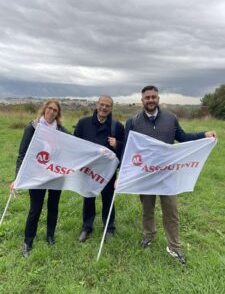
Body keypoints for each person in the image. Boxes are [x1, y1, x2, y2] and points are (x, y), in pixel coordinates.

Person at [124, 85, 217, 264]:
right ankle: (149, 235)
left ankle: (174, 246)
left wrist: (203, 135)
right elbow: (129, 150)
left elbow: (182, 137)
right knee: (147, 209)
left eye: (153, 97)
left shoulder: (170, 118)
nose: (150, 100)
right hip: (146, 175)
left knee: (171, 211)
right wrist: (123, 174)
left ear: (158, 99)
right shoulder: (133, 121)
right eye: (147, 97)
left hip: (167, 174)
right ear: (141, 100)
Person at [11, 100, 68, 257]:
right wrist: (18, 177)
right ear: (44, 109)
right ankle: (28, 242)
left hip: (56, 174)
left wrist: (98, 151)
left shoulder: (61, 131)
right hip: (36, 175)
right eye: (49, 108)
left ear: (58, 114)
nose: (51, 112)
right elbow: (22, 154)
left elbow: (75, 145)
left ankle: (50, 236)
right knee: (35, 209)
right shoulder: (33, 127)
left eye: (55, 110)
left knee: (53, 207)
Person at [74, 95, 124, 242]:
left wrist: (117, 144)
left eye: (107, 105)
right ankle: (86, 227)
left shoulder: (117, 126)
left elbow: (125, 147)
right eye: (102, 104)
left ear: (111, 108)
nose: (104, 108)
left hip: (108, 172)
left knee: (108, 199)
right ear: (97, 105)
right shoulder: (83, 123)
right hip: (89, 170)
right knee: (88, 198)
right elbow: (75, 143)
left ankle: (109, 228)